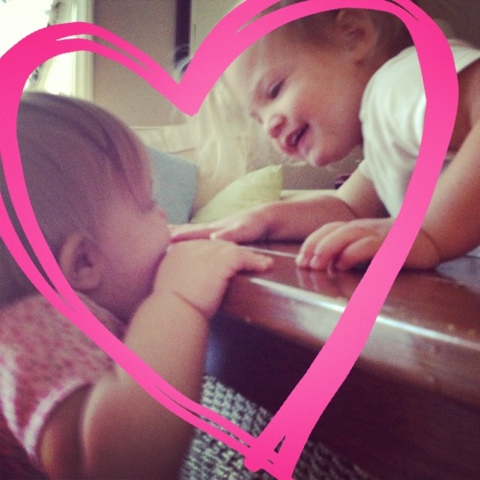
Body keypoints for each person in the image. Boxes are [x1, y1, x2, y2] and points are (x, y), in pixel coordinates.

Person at [0, 91, 275, 479]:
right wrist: (176, 299)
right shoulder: (33, 331)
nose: (164, 216)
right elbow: (117, 468)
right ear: (84, 262)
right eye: (148, 204)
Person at [171, 2, 480, 272]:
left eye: (275, 90)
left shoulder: (396, 84)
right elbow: (348, 208)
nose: (269, 128)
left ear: (353, 36)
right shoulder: (384, 138)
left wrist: (428, 234)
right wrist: (264, 219)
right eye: (259, 118)